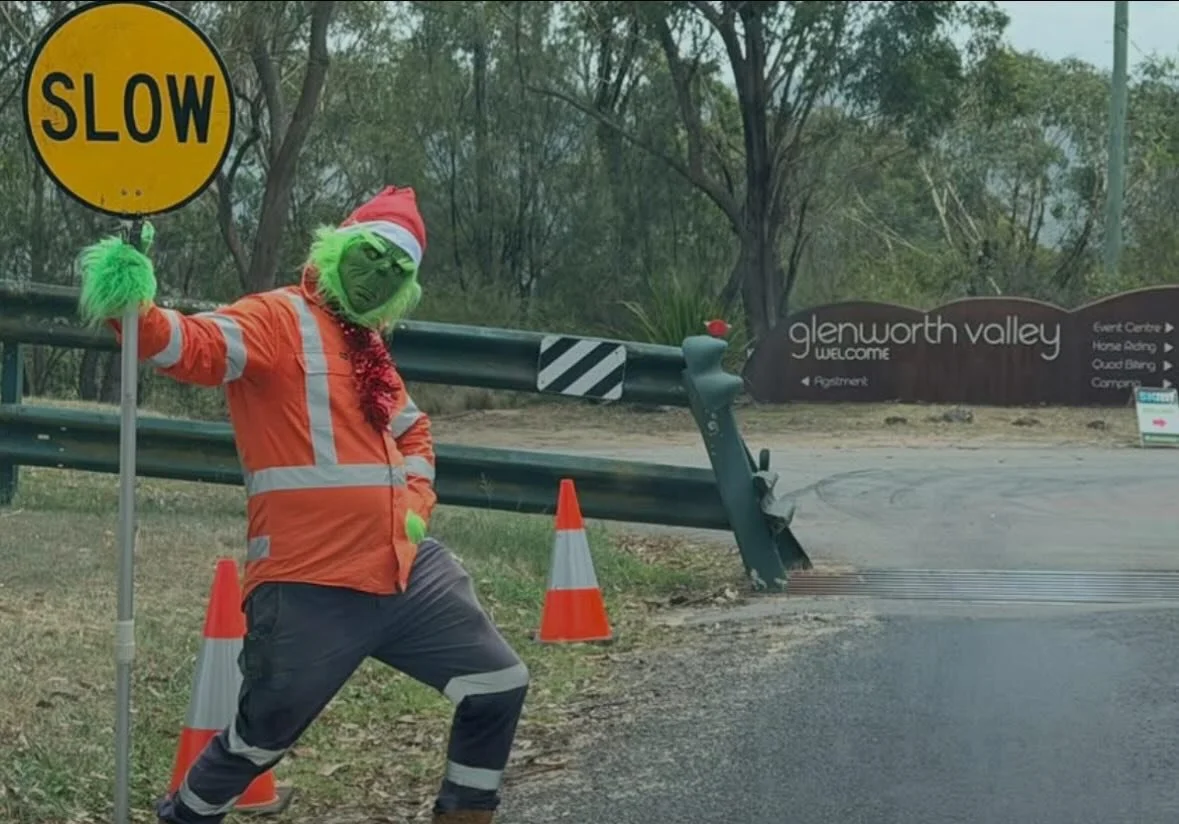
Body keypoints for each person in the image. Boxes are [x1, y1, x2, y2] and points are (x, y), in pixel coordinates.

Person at [75, 186, 530, 824]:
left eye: (397, 270)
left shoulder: (367, 348)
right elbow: (192, 347)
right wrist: (133, 298)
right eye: (372, 254)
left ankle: (465, 814)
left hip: (405, 571)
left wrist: (416, 505)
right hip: (308, 581)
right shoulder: (276, 318)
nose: (379, 274)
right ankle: (186, 815)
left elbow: (413, 431)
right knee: (259, 739)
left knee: (498, 683)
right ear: (337, 245)